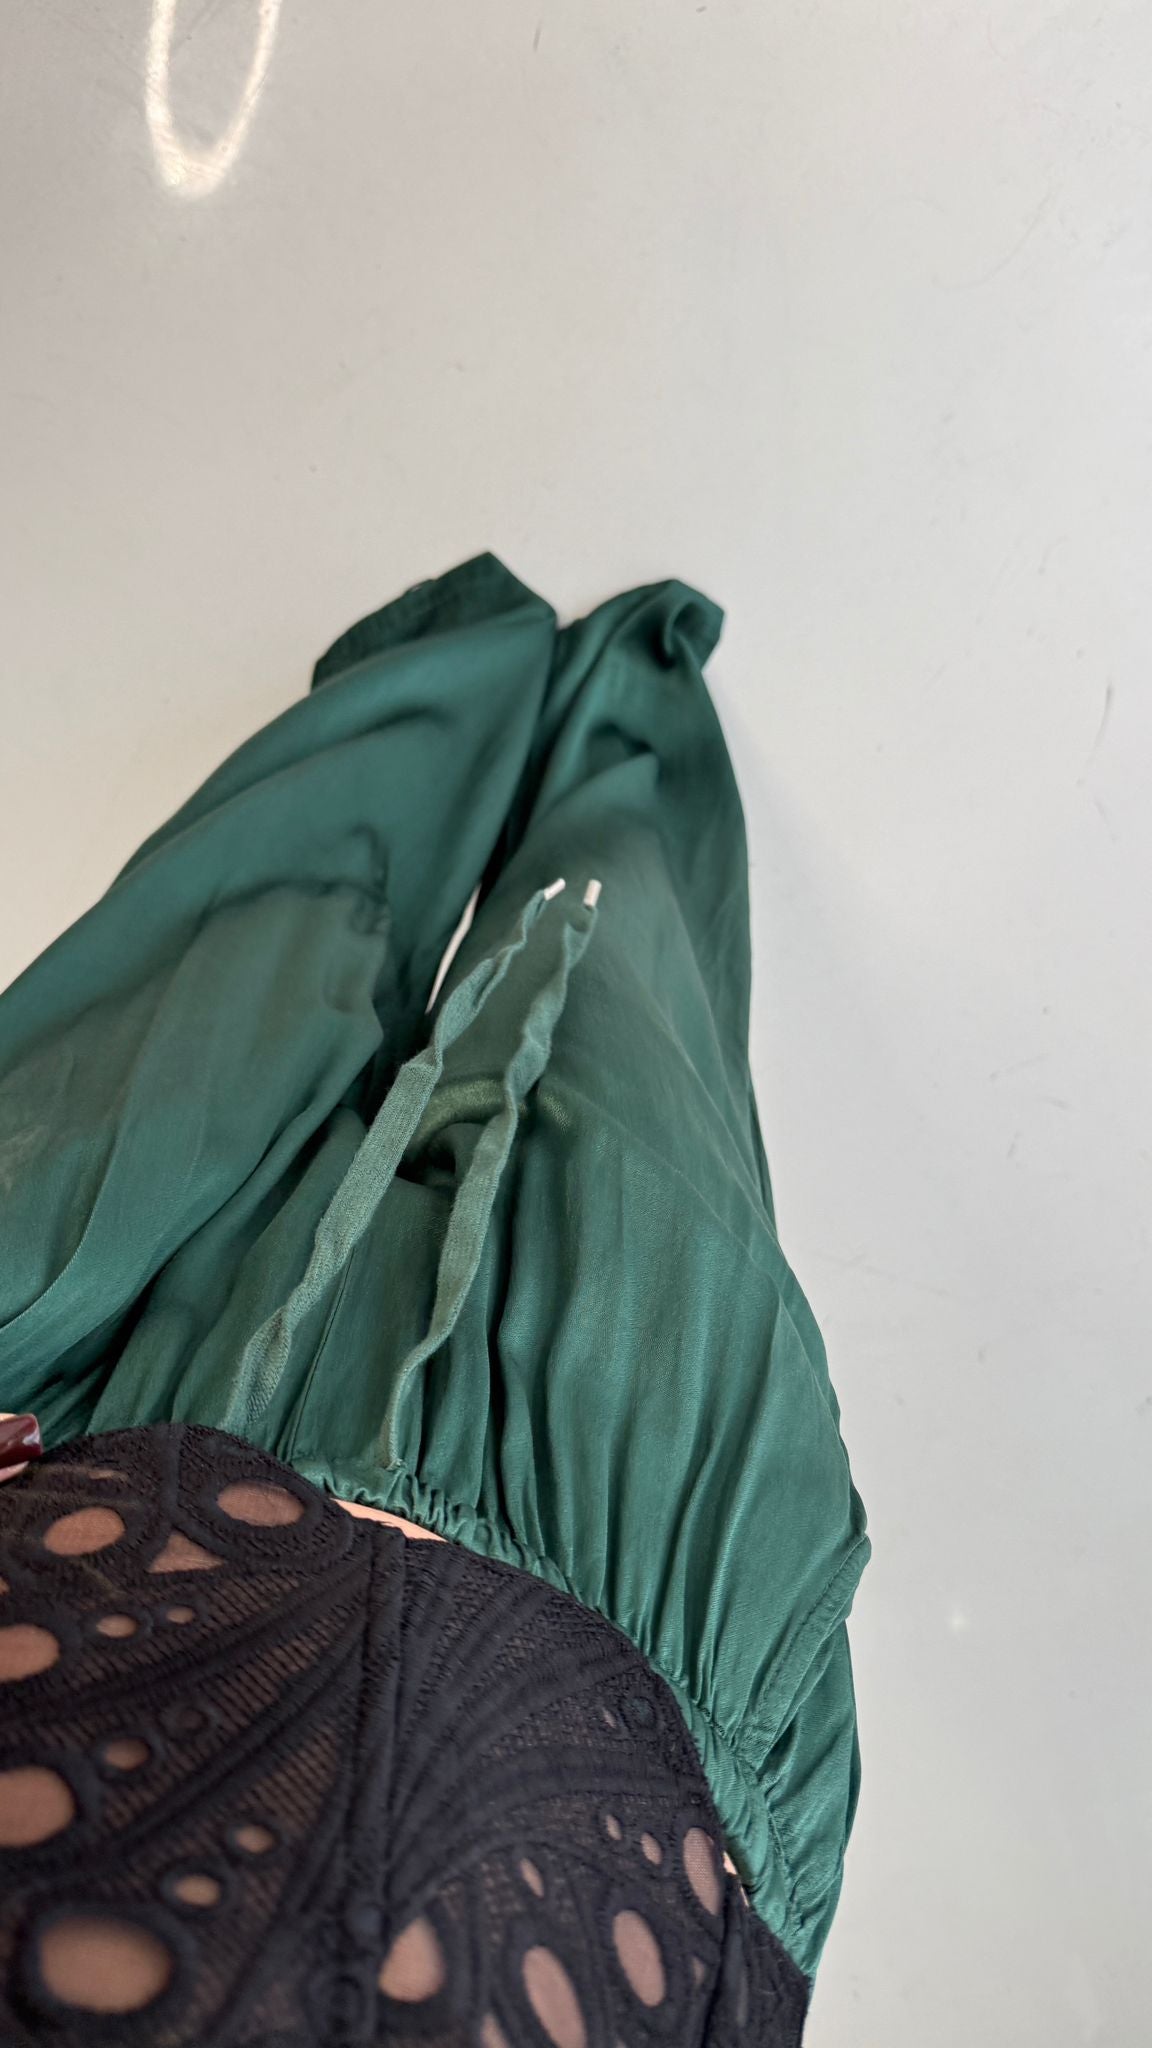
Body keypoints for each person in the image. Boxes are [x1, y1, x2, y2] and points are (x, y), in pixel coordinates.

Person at [0, 556, 869, 2044]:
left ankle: (450, 673)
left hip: (63, 1412)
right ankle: (622, 713)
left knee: (244, 944)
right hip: (642, 1612)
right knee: (627, 1001)